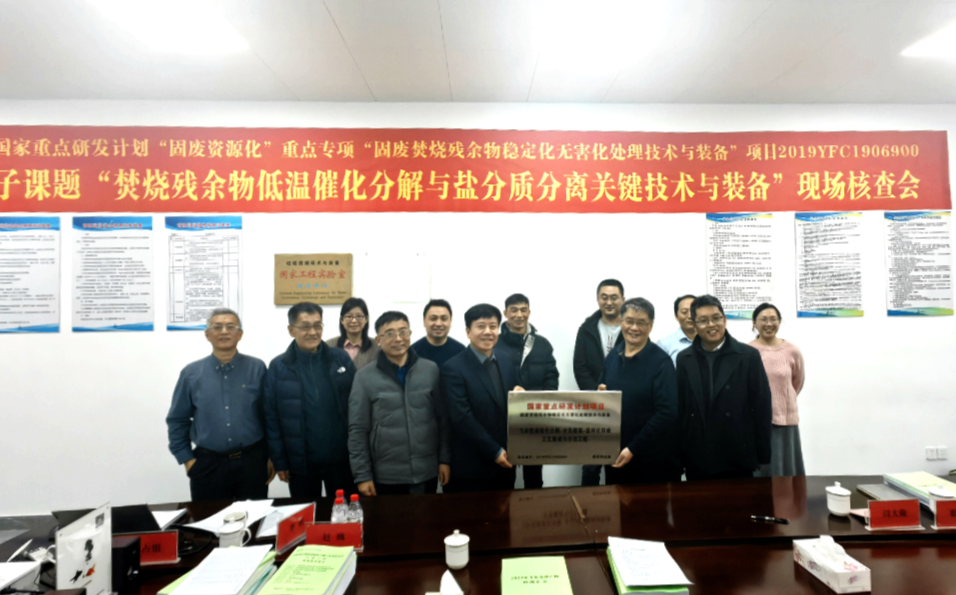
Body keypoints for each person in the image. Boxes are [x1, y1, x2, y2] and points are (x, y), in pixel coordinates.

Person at [166, 307, 273, 501]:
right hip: (208, 464)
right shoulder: (191, 374)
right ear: (207, 334)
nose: (224, 331)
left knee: (254, 517)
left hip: (252, 462)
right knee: (209, 518)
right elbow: (177, 420)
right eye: (217, 327)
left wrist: (272, 456)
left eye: (231, 327)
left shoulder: (257, 368)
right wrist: (187, 460)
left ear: (240, 334)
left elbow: (269, 416)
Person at [348, 311, 451, 496]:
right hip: (386, 475)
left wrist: (444, 459)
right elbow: (357, 429)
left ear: (410, 334)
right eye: (390, 334)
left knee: (427, 515)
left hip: (426, 470)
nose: (398, 338)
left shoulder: (430, 370)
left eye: (403, 332)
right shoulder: (364, 377)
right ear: (378, 340)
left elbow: (442, 419)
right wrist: (362, 475)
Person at [264, 302, 357, 499]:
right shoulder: (278, 367)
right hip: (300, 463)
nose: (313, 332)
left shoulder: (340, 359)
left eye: (318, 325)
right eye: (305, 326)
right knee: (306, 513)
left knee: (344, 511)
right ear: (291, 330)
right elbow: (271, 418)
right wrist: (279, 461)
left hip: (341, 459)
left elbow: (357, 405)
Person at [675, 295, 772, 480]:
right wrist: (678, 456)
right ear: (694, 325)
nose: (711, 324)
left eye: (716, 318)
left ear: (724, 319)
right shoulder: (684, 359)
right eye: (703, 320)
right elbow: (681, 409)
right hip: (698, 454)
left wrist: (762, 453)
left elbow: (762, 406)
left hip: (737, 452)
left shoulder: (748, 356)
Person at [597, 298, 681, 485]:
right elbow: (602, 390)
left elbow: (667, 413)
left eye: (641, 322)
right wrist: (600, 395)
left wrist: (633, 448)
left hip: (649, 458)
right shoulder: (613, 356)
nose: (634, 328)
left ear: (650, 326)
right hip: (615, 453)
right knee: (615, 502)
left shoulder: (661, 362)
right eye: (629, 321)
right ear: (621, 322)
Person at [442, 303, 523, 493]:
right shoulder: (453, 368)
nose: (488, 332)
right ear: (468, 332)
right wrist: (494, 451)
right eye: (481, 326)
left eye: (493, 326)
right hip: (472, 468)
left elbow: (511, 399)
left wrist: (520, 396)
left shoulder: (506, 359)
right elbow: (462, 417)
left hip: (506, 464)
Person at [498, 293, 559, 490]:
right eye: (514, 310)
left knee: (534, 478)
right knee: (504, 476)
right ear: (505, 313)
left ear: (529, 312)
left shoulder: (542, 344)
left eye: (523, 310)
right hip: (504, 418)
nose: (519, 315)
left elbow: (551, 375)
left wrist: (544, 400)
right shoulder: (495, 343)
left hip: (535, 417)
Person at [574, 279, 625, 486]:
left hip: (623, 406)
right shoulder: (587, 329)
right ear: (597, 299)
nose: (609, 302)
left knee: (619, 463)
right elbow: (580, 367)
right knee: (591, 465)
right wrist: (597, 392)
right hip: (593, 407)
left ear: (623, 299)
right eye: (604, 297)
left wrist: (615, 395)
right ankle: (588, 505)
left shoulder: (632, 327)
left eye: (614, 297)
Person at [749, 303, 806, 477]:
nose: (769, 324)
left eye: (773, 319)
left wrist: (781, 401)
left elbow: (797, 383)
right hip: (758, 422)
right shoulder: (747, 351)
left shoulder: (792, 351)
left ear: (779, 322)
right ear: (754, 323)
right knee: (762, 473)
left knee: (786, 472)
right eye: (763, 319)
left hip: (785, 420)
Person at [411, 299, 466, 369]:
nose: (438, 324)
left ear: (450, 321)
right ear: (424, 321)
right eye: (433, 319)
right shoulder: (413, 352)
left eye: (444, 319)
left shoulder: (461, 351)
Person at [327, 297, 380, 370]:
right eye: (349, 316)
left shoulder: (377, 346)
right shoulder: (329, 346)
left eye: (359, 316)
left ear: (366, 319)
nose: (354, 320)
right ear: (342, 320)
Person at [658, 294, 697, 365]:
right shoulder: (664, 344)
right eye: (684, 312)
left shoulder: (710, 339)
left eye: (693, 311)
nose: (690, 316)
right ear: (676, 316)